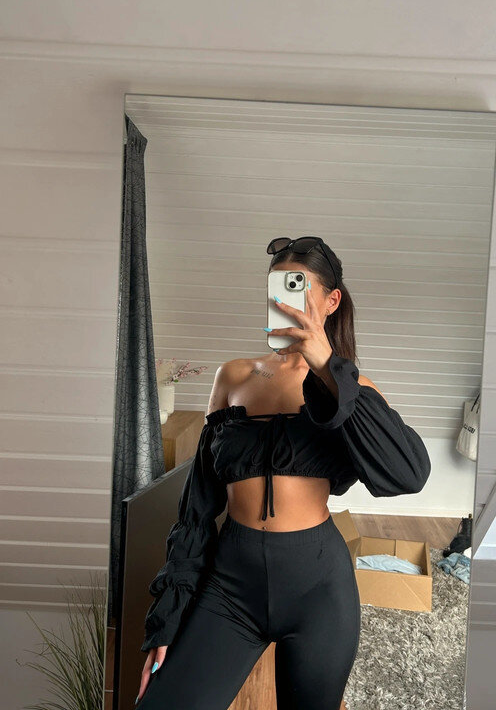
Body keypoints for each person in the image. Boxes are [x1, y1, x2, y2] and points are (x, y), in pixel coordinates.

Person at [135, 237, 431, 710]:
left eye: (299, 288)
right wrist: (167, 618)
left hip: (319, 589)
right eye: (278, 288)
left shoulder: (352, 390)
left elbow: (408, 474)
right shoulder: (233, 376)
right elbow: (196, 509)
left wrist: (328, 368)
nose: (284, 301)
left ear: (331, 301)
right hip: (230, 585)